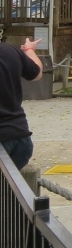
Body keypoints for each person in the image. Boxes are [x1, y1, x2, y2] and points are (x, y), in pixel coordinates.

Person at [0, 38, 43, 170]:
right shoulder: (10, 51)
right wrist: (29, 50)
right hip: (19, 135)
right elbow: (36, 73)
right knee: (11, 188)